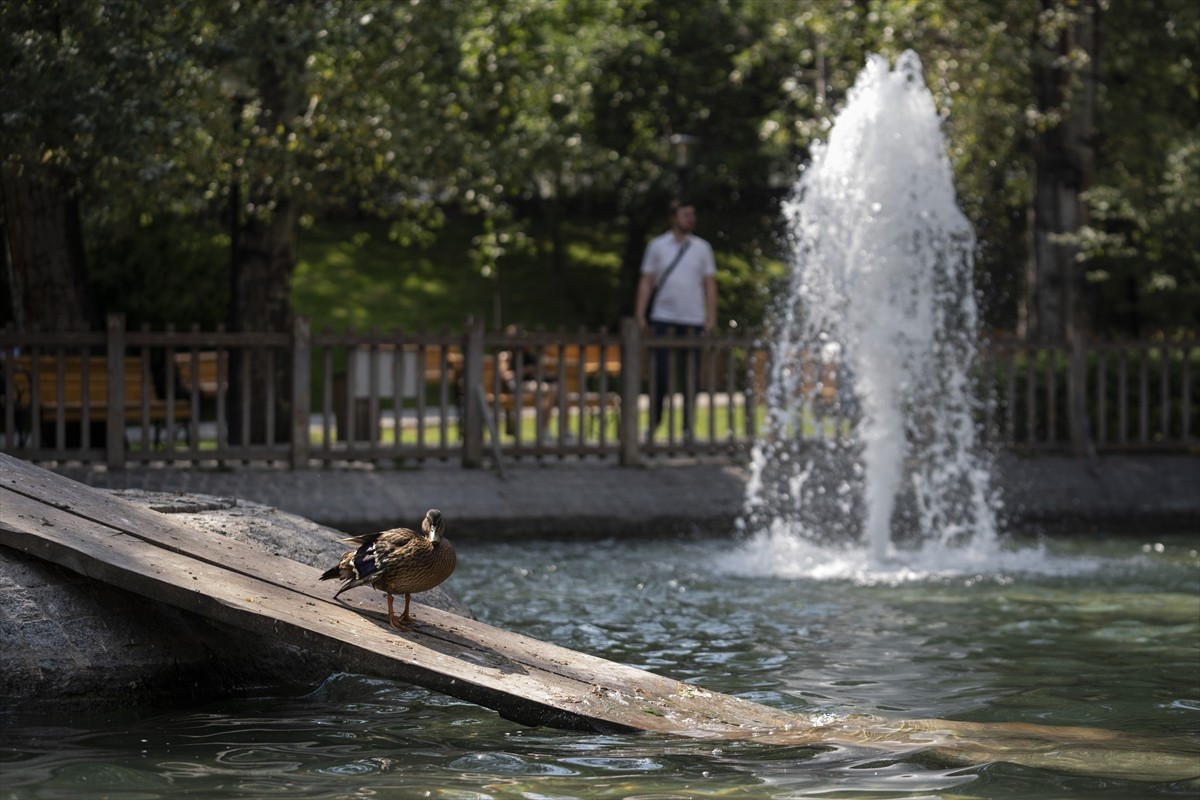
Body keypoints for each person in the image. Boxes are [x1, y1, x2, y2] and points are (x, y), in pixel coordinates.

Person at [634, 198, 718, 442]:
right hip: (663, 316)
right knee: (659, 374)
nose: (690, 218)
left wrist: (710, 317)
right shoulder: (657, 246)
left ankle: (688, 428)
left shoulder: (703, 248)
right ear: (673, 218)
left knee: (691, 375)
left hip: (692, 318)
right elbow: (647, 280)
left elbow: (710, 285)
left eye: (692, 214)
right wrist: (641, 314)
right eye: (685, 214)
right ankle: (654, 423)